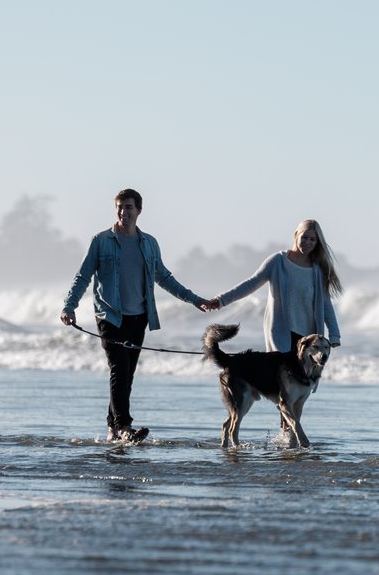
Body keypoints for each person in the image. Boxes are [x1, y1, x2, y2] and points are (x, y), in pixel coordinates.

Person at [60, 188, 211, 442]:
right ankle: (124, 427)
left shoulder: (149, 243)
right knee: (119, 368)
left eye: (129, 207)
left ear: (139, 210)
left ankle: (112, 428)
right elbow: (83, 275)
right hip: (110, 316)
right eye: (119, 207)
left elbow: (164, 277)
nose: (123, 212)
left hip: (139, 317)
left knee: (126, 374)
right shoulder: (101, 241)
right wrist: (69, 306)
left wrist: (194, 300)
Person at [208, 218, 343, 356]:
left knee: (304, 376)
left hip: (308, 338)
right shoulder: (278, 262)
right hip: (281, 331)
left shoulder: (318, 269)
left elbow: (326, 303)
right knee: (281, 374)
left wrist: (334, 335)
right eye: (305, 237)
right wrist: (220, 300)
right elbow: (250, 284)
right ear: (296, 235)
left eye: (313, 240)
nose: (308, 242)